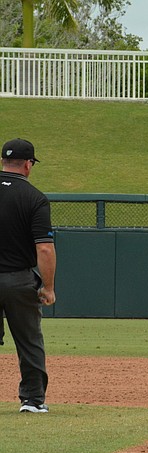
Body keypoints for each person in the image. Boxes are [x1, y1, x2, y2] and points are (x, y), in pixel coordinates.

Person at [1, 138, 56, 413]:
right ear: (27, 164)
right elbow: (44, 248)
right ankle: (33, 401)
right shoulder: (34, 198)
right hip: (18, 280)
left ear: (2, 161)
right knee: (29, 341)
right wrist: (48, 287)